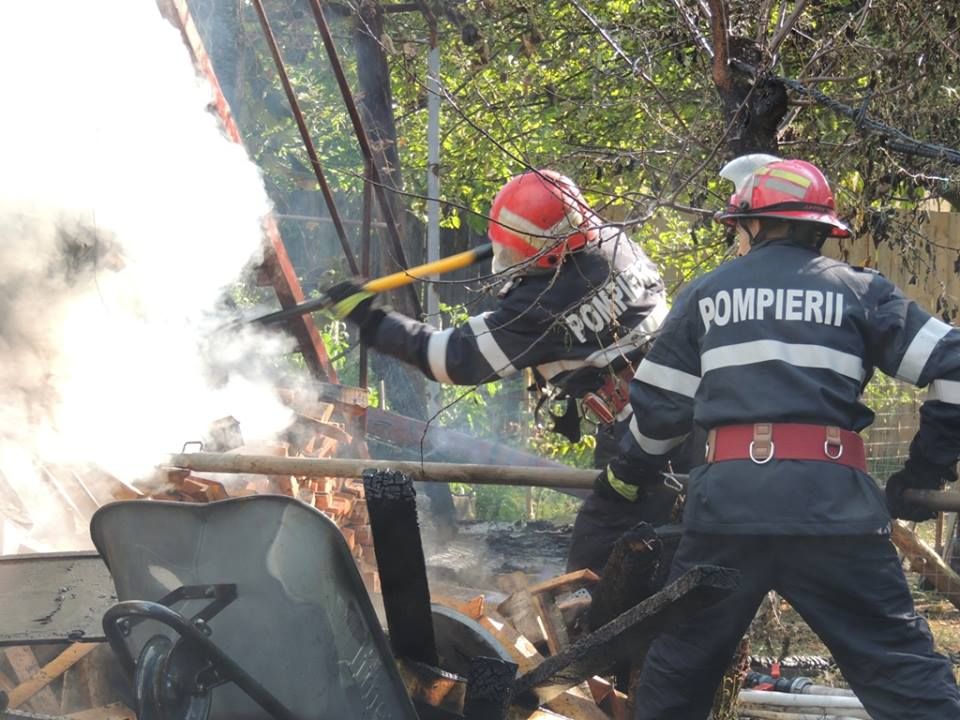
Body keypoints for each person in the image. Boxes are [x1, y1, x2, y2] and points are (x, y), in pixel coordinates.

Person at [606, 154, 960, 719]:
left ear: (751, 224)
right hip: (833, 513)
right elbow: (955, 367)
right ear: (821, 229)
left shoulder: (706, 294)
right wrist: (922, 473)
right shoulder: (860, 292)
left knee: (676, 678)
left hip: (727, 512)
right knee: (906, 677)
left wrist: (625, 476)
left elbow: (656, 417)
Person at [326, 168, 680, 573]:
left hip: (643, 436)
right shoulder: (617, 244)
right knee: (673, 544)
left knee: (600, 554)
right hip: (681, 410)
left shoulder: (543, 304)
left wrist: (370, 319)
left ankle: (604, 630)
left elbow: (450, 357)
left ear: (543, 252)